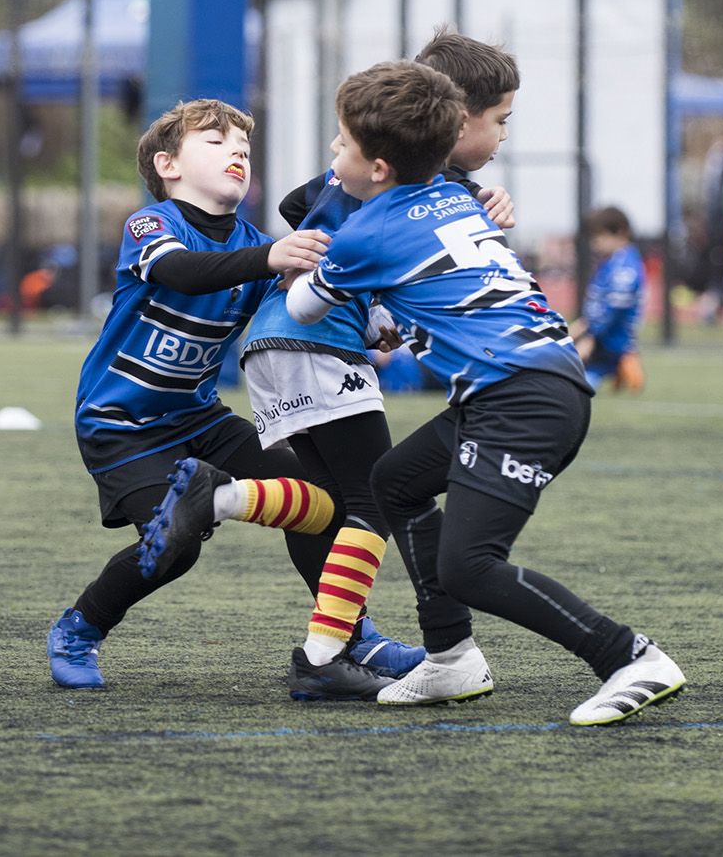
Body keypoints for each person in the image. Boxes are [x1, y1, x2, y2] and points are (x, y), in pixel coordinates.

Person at [286, 59, 684, 726]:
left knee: (469, 565)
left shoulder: (364, 233)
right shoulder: (453, 196)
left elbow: (305, 305)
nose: (332, 156)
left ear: (377, 166)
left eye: (340, 145)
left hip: (521, 398)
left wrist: (315, 260)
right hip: (523, 384)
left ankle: (629, 656)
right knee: (396, 481)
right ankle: (451, 658)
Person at [47, 97, 392, 691]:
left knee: (317, 501)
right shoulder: (153, 224)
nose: (237, 151)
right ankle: (80, 627)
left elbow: (292, 315)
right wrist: (270, 259)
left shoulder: (256, 242)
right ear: (167, 165)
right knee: (175, 549)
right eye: (216, 141)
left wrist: (368, 312)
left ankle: (347, 636)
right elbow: (181, 271)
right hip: (120, 425)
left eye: (245, 147)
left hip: (201, 418)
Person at [239, 27, 519, 701]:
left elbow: (297, 205)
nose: (504, 137)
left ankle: (344, 636)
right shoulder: (417, 184)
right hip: (315, 341)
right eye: (501, 121)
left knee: (330, 506)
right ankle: (323, 650)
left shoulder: (399, 179)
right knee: (379, 497)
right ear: (455, 120)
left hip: (274, 348)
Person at [570, 206, 645, 391]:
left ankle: (624, 363)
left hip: (611, 340)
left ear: (620, 232)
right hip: (600, 336)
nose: (594, 244)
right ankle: (621, 368)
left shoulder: (625, 267)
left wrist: (591, 337)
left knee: (576, 381)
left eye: (599, 237)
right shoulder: (610, 262)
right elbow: (598, 304)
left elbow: (614, 308)